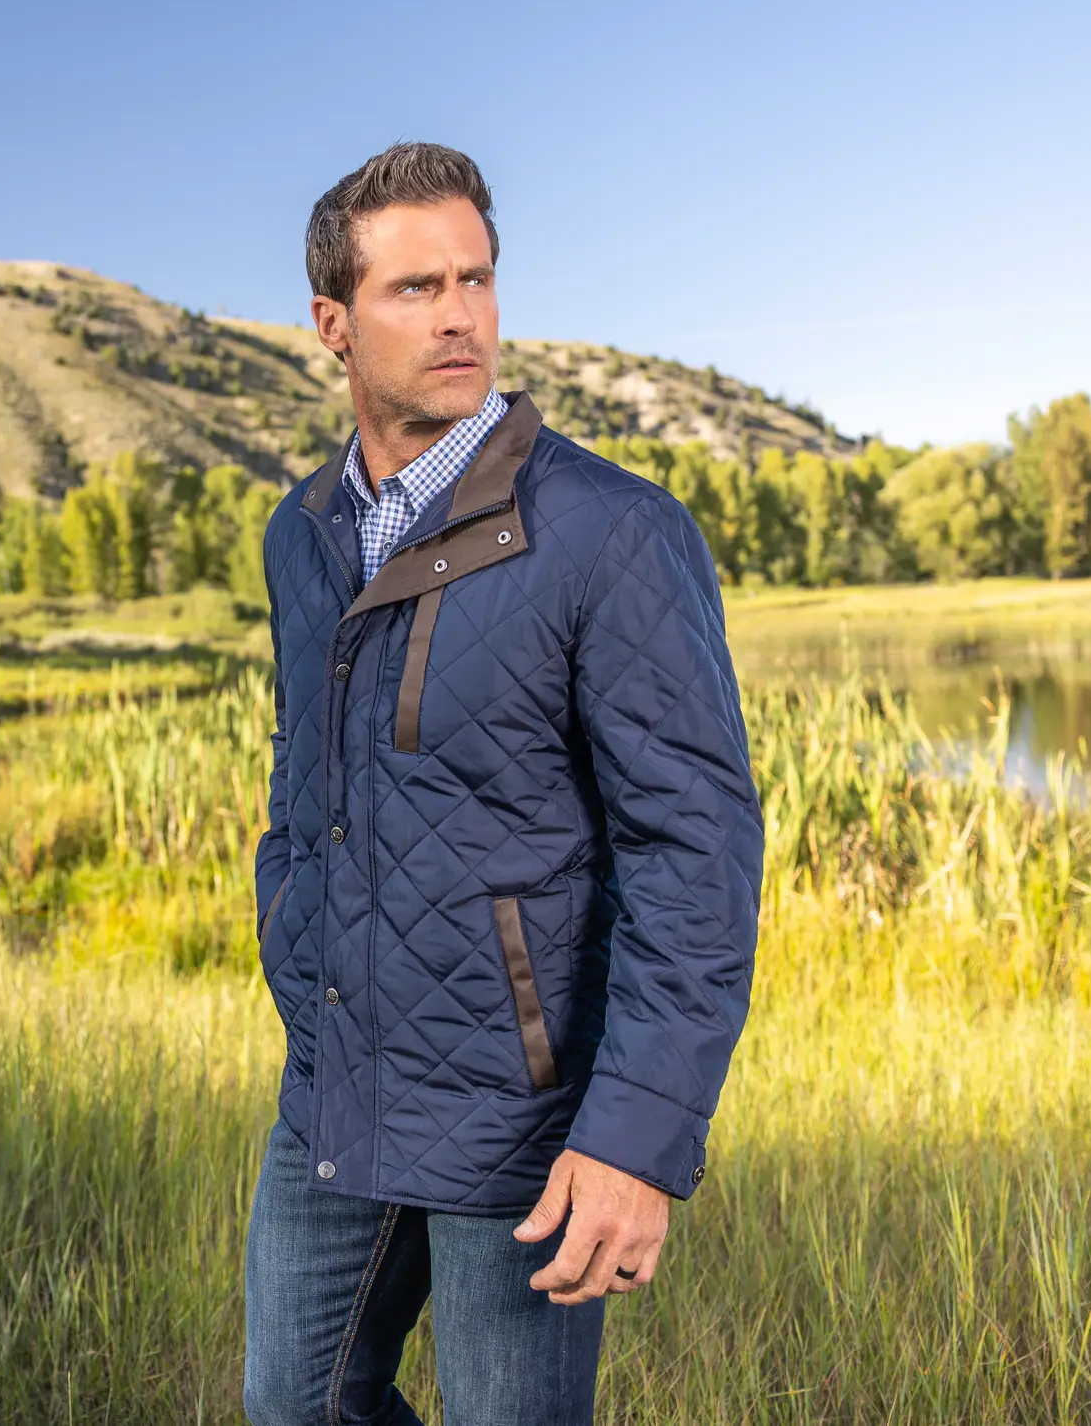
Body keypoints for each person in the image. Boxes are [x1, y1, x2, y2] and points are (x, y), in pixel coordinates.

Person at [241, 143, 763, 1425]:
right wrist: (290, 937)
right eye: (415, 286)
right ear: (332, 323)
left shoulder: (609, 530)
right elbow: (302, 786)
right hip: (337, 1082)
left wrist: (633, 1135)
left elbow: (693, 850)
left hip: (521, 1114)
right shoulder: (301, 533)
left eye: (474, 278)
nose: (459, 315)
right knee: (293, 1404)